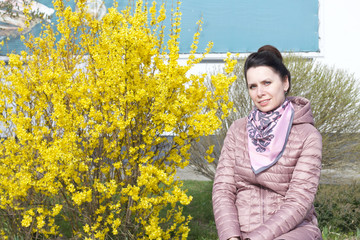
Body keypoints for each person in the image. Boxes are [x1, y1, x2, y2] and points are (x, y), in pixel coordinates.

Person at [212, 45, 322, 240]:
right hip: (241, 232)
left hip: (292, 231)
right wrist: (231, 236)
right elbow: (223, 190)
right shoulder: (238, 130)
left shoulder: (307, 135)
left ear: (285, 82)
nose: (260, 92)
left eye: (267, 83)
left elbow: (299, 201)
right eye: (253, 86)